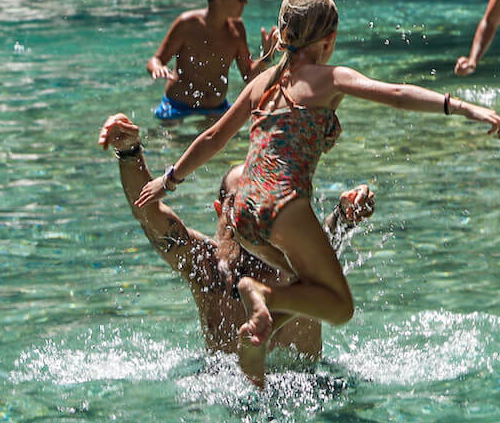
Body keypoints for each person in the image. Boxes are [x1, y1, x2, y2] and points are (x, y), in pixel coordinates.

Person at [135, 0, 500, 368]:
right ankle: (263, 296)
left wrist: (169, 179)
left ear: (282, 34)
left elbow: (212, 138)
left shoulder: (262, 85)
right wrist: (462, 107)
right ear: (329, 40)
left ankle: (262, 328)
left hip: (245, 212)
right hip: (282, 203)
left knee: (307, 288)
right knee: (339, 306)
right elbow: (396, 93)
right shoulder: (330, 78)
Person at [99, 113, 374, 387]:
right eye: (240, 199)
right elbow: (151, 216)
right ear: (221, 210)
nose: (251, 208)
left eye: (260, 198)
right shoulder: (207, 269)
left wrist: (346, 213)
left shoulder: (299, 264)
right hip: (229, 403)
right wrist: (128, 151)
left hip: (313, 393)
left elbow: (330, 235)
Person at [148, 0, 274, 120]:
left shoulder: (237, 29)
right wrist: (157, 67)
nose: (245, 1)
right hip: (177, 107)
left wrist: (267, 57)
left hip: (216, 108)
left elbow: (248, 75)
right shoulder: (187, 24)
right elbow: (156, 59)